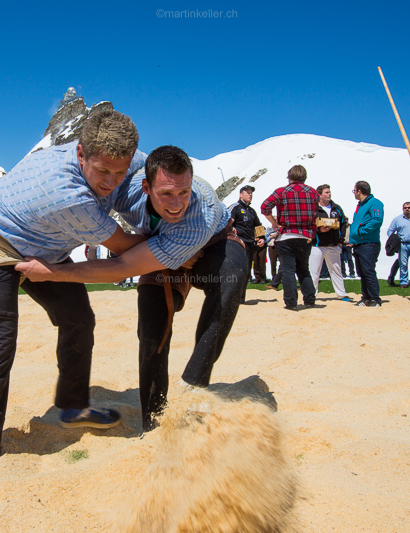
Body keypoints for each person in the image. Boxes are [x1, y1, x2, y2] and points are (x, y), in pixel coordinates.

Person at [17, 145, 246, 432]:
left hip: (211, 244)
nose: (176, 203)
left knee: (232, 277)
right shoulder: (125, 186)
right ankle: (153, 422)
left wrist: (52, 273)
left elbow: (122, 268)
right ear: (146, 187)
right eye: (166, 194)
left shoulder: (197, 217)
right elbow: (106, 155)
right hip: (153, 247)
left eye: (184, 192)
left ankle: (194, 383)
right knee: (151, 331)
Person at [0, 109, 145, 462]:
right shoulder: (69, 196)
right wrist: (182, 243)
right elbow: (125, 250)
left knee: (79, 319)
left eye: (120, 172)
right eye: (103, 171)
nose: (112, 182)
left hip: (44, 242)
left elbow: (162, 171)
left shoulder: (129, 160)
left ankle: (74, 408)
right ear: (80, 153)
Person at [260, 165, 320, 310]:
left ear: (290, 177)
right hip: (305, 236)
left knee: (288, 270)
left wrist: (275, 223)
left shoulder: (281, 192)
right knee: (303, 269)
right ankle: (310, 299)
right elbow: (316, 211)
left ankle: (291, 302)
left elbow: (265, 207)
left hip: (286, 235)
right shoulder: (313, 192)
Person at [309, 184, 350, 301]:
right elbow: (309, 224)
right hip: (317, 245)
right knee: (314, 271)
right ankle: (312, 295)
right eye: (326, 192)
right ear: (319, 195)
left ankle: (342, 294)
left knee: (336, 270)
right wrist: (319, 230)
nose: (329, 194)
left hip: (333, 245)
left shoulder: (337, 208)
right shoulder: (314, 209)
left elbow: (343, 224)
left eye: (329, 192)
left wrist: (341, 241)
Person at [349, 181, 384, 307]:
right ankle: (366, 297)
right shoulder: (361, 204)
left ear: (359, 191)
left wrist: (361, 231)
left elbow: (377, 220)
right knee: (362, 272)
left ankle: (375, 298)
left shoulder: (375, 203)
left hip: (369, 243)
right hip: (360, 243)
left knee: (368, 271)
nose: (354, 194)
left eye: (354, 191)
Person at [229, 186, 266, 298]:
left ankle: (241, 297)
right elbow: (227, 224)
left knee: (246, 271)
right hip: (237, 244)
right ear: (241, 194)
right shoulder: (234, 208)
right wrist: (234, 238)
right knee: (236, 270)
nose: (250, 195)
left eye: (251, 193)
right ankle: (231, 297)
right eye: (248, 193)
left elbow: (258, 226)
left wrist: (262, 238)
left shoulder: (251, 211)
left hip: (250, 244)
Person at [386, 202, 410, 288]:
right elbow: (390, 230)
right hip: (403, 245)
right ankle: (404, 282)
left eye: (409, 207)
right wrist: (394, 240)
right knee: (403, 264)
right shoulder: (397, 219)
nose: (407, 209)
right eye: (405, 208)